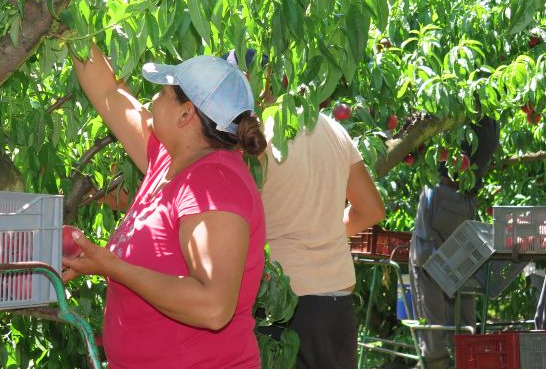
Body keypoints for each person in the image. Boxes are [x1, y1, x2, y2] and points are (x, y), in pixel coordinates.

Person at [62, 44, 267, 368]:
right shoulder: (169, 162)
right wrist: (67, 24)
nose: (153, 96)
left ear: (186, 114)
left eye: (164, 90)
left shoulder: (214, 185)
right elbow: (111, 93)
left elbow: (212, 306)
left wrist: (112, 266)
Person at [224, 50, 386, 369]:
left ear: (254, 80)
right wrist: (322, 234)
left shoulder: (252, 142)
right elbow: (371, 209)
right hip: (337, 305)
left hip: (284, 305)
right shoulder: (327, 126)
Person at [409, 117, 500, 369]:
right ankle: (466, 353)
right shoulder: (490, 121)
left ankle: (436, 359)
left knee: (426, 269)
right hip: (466, 200)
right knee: (461, 271)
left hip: (443, 197)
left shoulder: (456, 111)